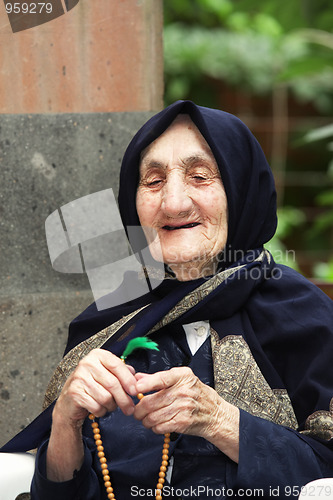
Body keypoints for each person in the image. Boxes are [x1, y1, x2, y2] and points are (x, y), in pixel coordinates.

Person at [2, 100, 333, 499]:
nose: (173, 203)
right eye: (154, 181)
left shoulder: (305, 319)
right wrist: (64, 424)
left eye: (199, 176)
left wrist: (221, 421)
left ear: (242, 190)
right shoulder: (108, 323)